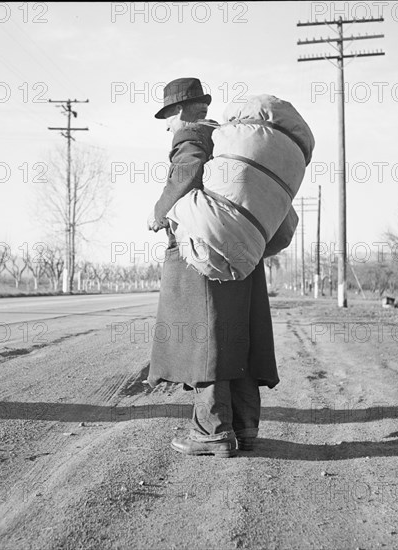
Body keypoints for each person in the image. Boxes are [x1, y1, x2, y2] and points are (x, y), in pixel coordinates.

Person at [147, 77, 279, 458]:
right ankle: (245, 427)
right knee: (238, 338)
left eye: (167, 117)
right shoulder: (227, 140)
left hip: (204, 256)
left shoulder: (190, 136)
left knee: (205, 341)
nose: (168, 125)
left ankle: (212, 432)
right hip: (243, 254)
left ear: (178, 112)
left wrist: (158, 212)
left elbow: (186, 172)